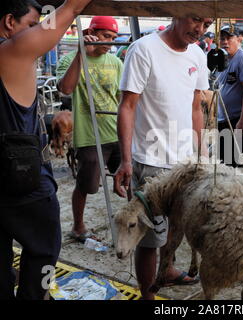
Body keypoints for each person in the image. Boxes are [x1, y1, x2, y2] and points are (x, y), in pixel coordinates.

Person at [114, 16, 213, 300]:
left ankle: (167, 269)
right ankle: (147, 295)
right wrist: (126, 160)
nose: (200, 29)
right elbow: (128, 106)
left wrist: (201, 151)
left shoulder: (197, 53)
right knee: (149, 236)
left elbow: (196, 105)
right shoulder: (144, 49)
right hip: (150, 161)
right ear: (175, 13)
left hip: (184, 163)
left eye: (206, 24)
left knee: (176, 228)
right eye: (196, 20)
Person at [0, 0, 93, 300]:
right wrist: (67, 8)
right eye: (31, 25)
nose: (36, 33)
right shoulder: (12, 51)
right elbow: (71, 9)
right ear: (9, 23)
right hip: (24, 181)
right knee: (44, 251)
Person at [57, 16, 123, 243]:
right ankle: (78, 225)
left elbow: (121, 98)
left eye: (113, 38)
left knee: (130, 180)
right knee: (87, 185)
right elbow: (65, 89)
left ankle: (134, 223)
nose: (110, 43)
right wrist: (81, 52)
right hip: (89, 135)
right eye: (106, 36)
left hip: (116, 131)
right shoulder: (69, 60)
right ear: (90, 32)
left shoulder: (115, 62)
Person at [217, 25, 243, 166]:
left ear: (238, 39)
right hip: (223, 119)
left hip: (238, 120)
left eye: (229, 38)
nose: (225, 42)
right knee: (224, 162)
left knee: (239, 164)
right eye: (222, 38)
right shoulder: (221, 58)